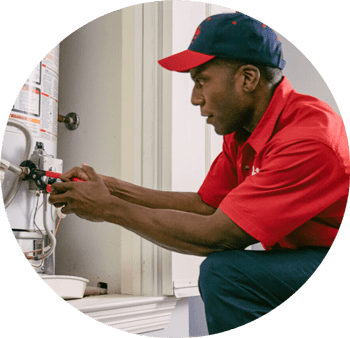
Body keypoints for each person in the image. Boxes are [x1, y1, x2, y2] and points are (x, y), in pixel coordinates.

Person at [49, 13, 350, 334]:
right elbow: (206, 206)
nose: (195, 98)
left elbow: (220, 235)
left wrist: (108, 208)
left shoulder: (308, 137)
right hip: (304, 256)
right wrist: (111, 188)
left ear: (248, 78)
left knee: (225, 273)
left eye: (201, 80)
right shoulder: (244, 132)